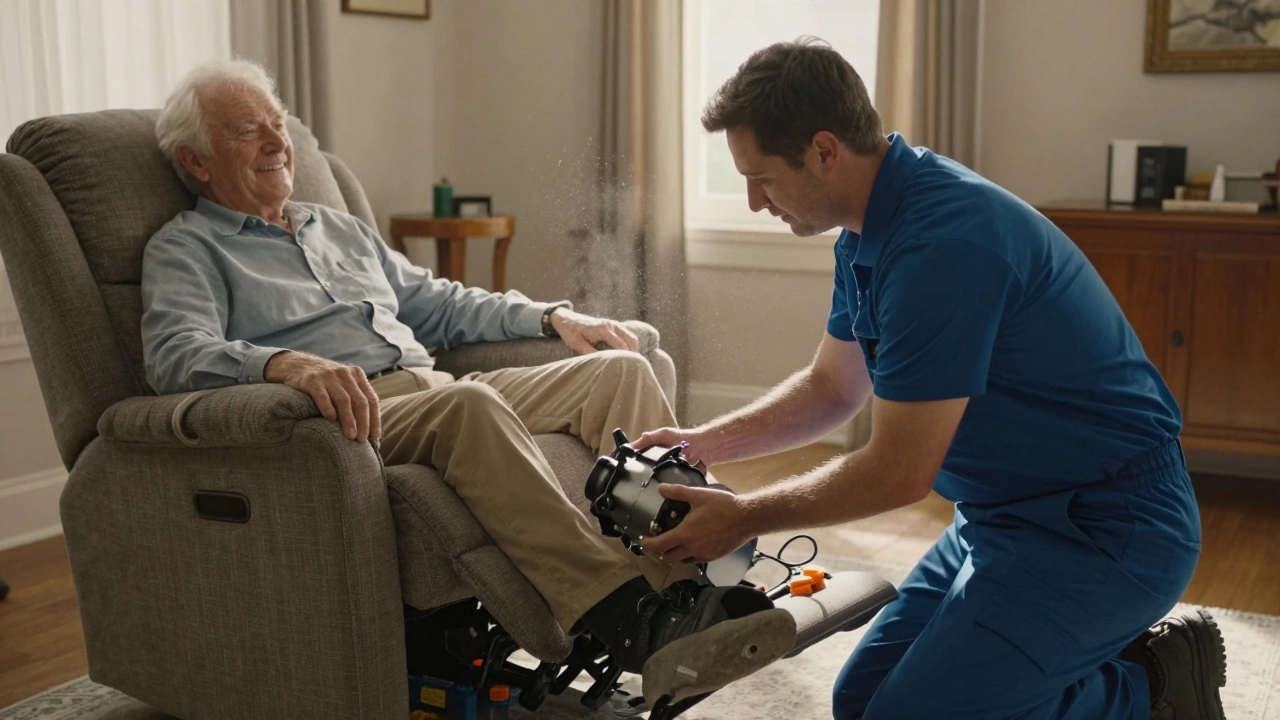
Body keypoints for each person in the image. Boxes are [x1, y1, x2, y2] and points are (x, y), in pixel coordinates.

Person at [141, 59, 796, 704]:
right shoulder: (188, 247)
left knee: (618, 371)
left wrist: (553, 316)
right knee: (469, 404)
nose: (277, 143)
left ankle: (686, 586)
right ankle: (627, 619)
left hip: (431, 387)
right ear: (196, 161)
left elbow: (440, 304)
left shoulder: (333, 227)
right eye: (246, 131)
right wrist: (282, 364)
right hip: (345, 419)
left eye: (278, 124)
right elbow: (174, 354)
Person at [638, 39, 1226, 720]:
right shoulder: (866, 229)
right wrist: (702, 445)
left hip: (1108, 526)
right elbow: (834, 388)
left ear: (825, 150)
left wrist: (745, 518)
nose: (751, 202)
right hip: (1002, 515)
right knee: (859, 702)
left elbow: (897, 473)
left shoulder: (942, 243)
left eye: (762, 178)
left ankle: (1152, 687)